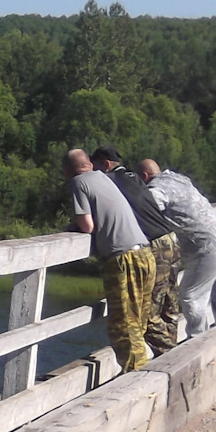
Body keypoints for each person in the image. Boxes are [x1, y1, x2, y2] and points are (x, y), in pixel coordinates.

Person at [64, 148, 154, 372]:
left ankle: (136, 381)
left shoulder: (79, 183)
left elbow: (88, 226)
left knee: (123, 327)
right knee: (138, 323)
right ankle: (142, 374)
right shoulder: (104, 178)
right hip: (144, 253)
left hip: (123, 259)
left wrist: (73, 226)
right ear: (90, 164)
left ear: (67, 171)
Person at [90, 146, 181, 355]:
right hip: (170, 238)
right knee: (169, 305)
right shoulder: (134, 178)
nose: (94, 173)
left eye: (96, 167)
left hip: (155, 244)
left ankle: (173, 358)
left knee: (148, 312)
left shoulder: (109, 180)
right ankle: (172, 353)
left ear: (105, 163)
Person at [139, 158, 216, 335]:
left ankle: (198, 338)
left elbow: (147, 211)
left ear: (144, 176)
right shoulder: (177, 178)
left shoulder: (157, 190)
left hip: (206, 246)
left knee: (191, 296)